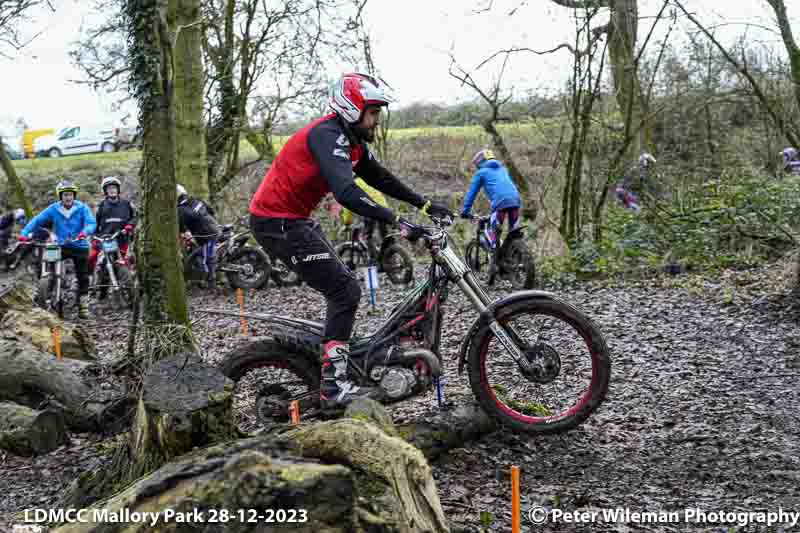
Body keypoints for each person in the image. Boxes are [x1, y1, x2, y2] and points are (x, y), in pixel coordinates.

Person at [249, 72, 452, 411]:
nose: (376, 121)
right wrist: (396, 220)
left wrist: (425, 204)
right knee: (345, 290)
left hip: (295, 220)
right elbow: (345, 191)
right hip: (275, 223)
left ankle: (341, 358)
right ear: (350, 108)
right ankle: (333, 386)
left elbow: (381, 178)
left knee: (344, 286)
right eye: (372, 113)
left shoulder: (352, 142)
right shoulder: (327, 136)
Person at [19, 180, 96, 318]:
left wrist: (85, 232)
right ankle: (46, 291)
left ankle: (83, 307)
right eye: (65, 195)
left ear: (74, 195)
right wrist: (24, 234)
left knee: (82, 276)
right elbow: (37, 220)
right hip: (60, 244)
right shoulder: (54, 209)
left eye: (70, 194)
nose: (68, 197)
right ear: (60, 196)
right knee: (48, 263)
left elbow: (91, 222)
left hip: (80, 245)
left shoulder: (82, 208)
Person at [460, 149, 522, 275]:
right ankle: (515, 259)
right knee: (513, 234)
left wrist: (465, 211)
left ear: (479, 163)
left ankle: (495, 260)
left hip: (500, 204)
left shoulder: (481, 173)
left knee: (493, 232)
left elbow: (472, 194)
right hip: (515, 201)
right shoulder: (503, 169)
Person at [90, 176, 136, 280]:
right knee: (99, 262)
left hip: (123, 239)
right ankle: (97, 286)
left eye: (114, 188)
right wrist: (95, 237)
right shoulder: (101, 206)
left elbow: (135, 217)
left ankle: (132, 285)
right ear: (105, 191)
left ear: (118, 189)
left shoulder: (126, 204)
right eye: (109, 188)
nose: (112, 190)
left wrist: (129, 225)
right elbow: (95, 224)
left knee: (130, 261)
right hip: (106, 240)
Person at [177, 184, 221, 289]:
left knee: (207, 259)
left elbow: (180, 227)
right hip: (215, 227)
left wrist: (184, 233)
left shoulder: (181, 210)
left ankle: (212, 283)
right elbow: (211, 210)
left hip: (206, 235)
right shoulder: (196, 200)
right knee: (205, 255)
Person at [340, 177, 390, 260]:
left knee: (367, 236)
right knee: (384, 236)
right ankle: (390, 258)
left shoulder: (350, 186)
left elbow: (347, 207)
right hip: (385, 209)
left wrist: (347, 223)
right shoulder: (366, 180)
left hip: (372, 210)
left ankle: (374, 260)